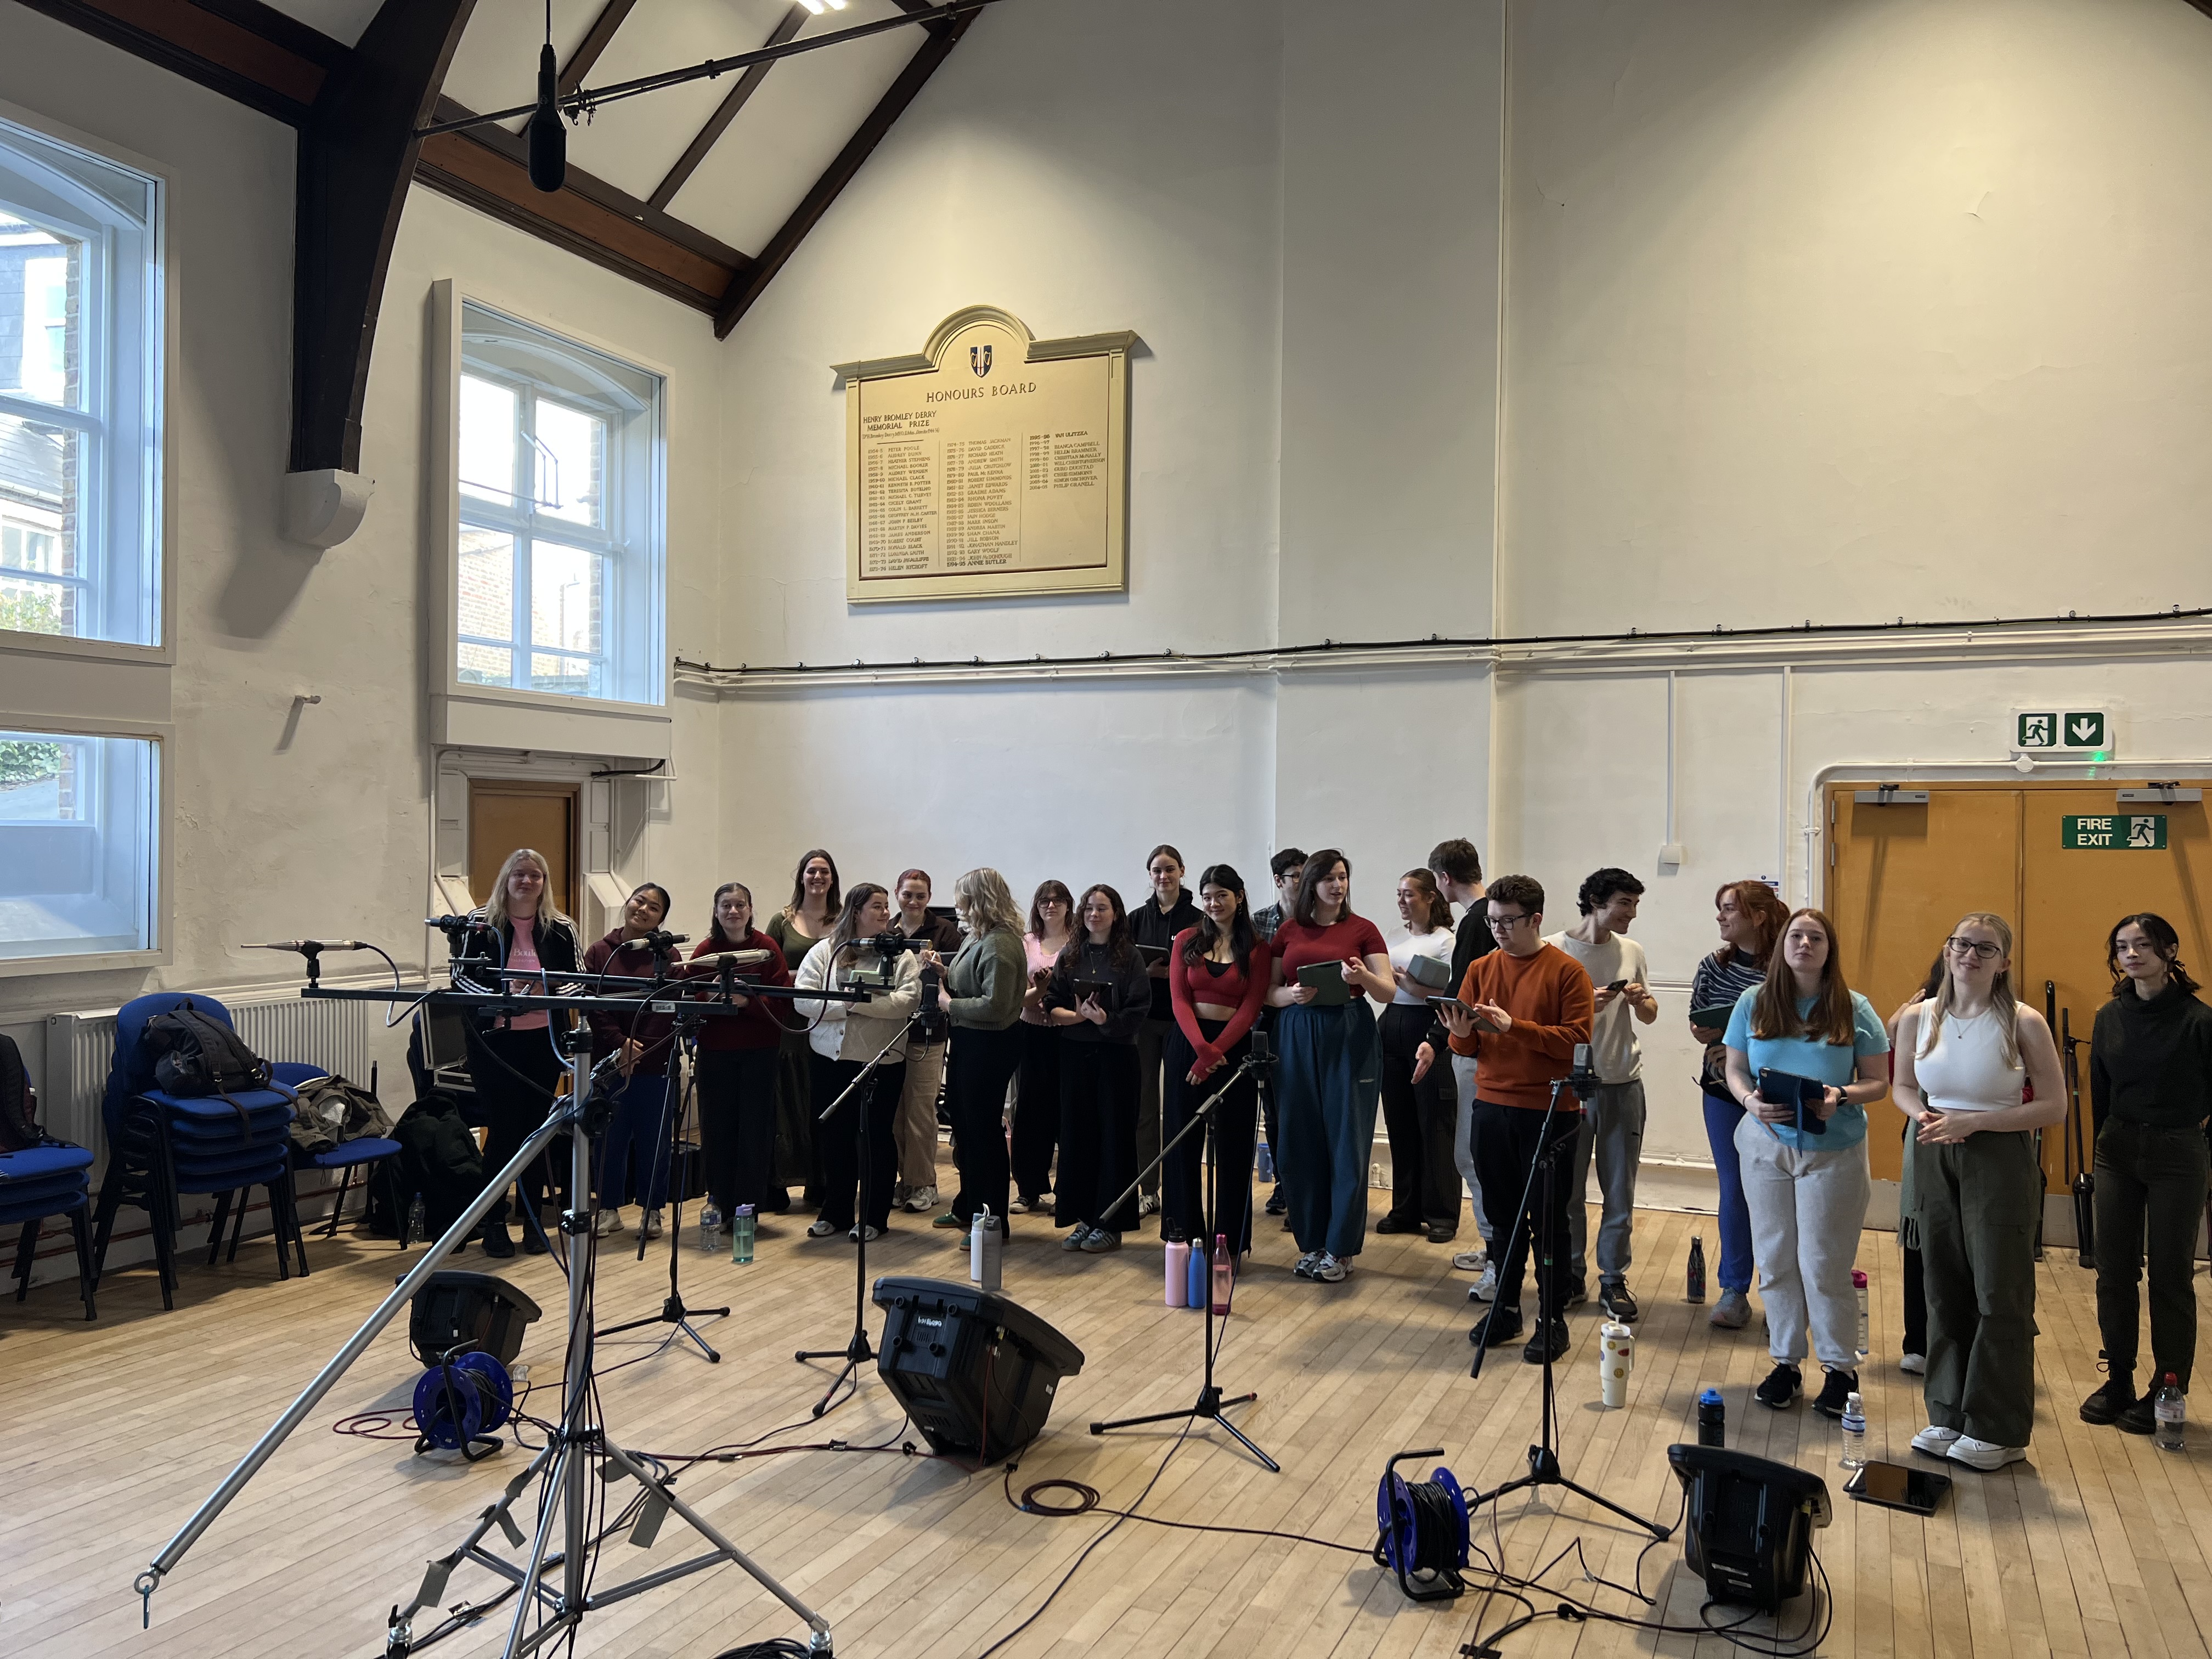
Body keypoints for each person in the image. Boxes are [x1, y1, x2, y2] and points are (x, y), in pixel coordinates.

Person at [1891, 913, 2063, 1469]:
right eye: (1962, 945)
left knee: (1999, 1291)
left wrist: (1976, 1123)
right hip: (1933, 1150)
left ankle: (1999, 1427)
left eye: (1985, 949)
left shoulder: (2023, 1021)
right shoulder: (1919, 1017)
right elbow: (1901, 1085)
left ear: (2004, 962)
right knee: (1943, 1287)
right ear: (1947, 951)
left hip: (1997, 1156)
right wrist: (1924, 1116)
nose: (1970, 956)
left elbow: (2054, 1107)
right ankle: (1948, 1413)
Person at [1723, 907, 1892, 1420]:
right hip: (1765, 1145)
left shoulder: (1853, 1007)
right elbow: (1733, 1067)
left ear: (1828, 949)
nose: (1804, 944)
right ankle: (1786, 1363)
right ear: (1782, 947)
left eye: (1815, 937)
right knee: (1774, 1258)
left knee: (1823, 1263)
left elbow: (1878, 1083)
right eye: (1796, 936)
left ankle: (1840, 1369)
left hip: (1832, 1151)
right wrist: (1750, 1101)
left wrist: (1840, 1095)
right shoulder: (1754, 1002)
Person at [1451, 875, 1593, 1363]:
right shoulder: (1480, 968)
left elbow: (1576, 1038)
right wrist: (1460, 1032)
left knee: (1549, 1218)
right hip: (1492, 1105)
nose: (1497, 930)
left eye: (1507, 922)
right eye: (1492, 921)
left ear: (1535, 919)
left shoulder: (1568, 972)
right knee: (1503, 1215)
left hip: (1550, 1110)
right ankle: (1507, 1308)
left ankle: (1551, 1318)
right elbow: (1468, 1048)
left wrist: (1517, 1027)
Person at [2082, 913, 2212, 1433]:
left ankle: (2168, 1382)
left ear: (2170, 950)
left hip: (2179, 1152)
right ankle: (2118, 1377)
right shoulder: (2109, 1016)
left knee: (2170, 1273)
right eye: (2122, 947)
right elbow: (2100, 1091)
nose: (2132, 954)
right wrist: (2100, 1150)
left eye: (2142, 945)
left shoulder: (2200, 1021)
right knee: (2114, 1269)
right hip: (2117, 1149)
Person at [1267, 849, 1393, 1284]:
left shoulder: (1363, 930)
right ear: (1311, 886)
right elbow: (1269, 992)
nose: (1338, 886)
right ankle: (1313, 1243)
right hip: (1297, 1033)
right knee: (1299, 1142)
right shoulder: (1288, 931)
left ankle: (1340, 1248)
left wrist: (1362, 978)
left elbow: (1388, 992)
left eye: (1343, 878)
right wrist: (1291, 996)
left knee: (1347, 1141)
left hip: (1348, 1033)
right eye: (1329, 879)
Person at [456, 848, 585, 1259]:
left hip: (542, 1044)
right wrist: (503, 998)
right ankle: (493, 1224)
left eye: (536, 876)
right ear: (505, 880)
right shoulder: (479, 923)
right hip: (495, 1046)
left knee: (536, 1135)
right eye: (519, 874)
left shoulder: (562, 928)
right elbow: (460, 978)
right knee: (503, 1133)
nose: (527, 882)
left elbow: (578, 981)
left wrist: (544, 996)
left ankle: (532, 1222)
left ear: (544, 883)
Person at [1546, 868, 1656, 1321]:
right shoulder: (1554, 950)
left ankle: (1612, 1278)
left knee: (1619, 1188)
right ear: (1595, 901)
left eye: (1635, 905)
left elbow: (1650, 1013)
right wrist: (1581, 1005)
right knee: (1567, 1191)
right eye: (1624, 903)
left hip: (1622, 1082)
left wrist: (1637, 1000)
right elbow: (1541, 1017)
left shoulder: (1631, 951)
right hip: (1570, 1084)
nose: (1631, 913)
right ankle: (1571, 1274)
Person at [1688, 879, 1790, 1330]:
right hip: (1723, 1092)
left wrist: (1741, 1049)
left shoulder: (1791, 965)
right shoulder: (1713, 965)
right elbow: (1700, 1022)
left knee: (1780, 1194)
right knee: (1735, 1190)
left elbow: (1800, 1028)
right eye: (1720, 908)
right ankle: (1734, 1289)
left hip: (1778, 1095)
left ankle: (1782, 1292)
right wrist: (1719, 1043)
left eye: (1729, 909)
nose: (1720, 917)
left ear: (1758, 916)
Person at [793, 885, 922, 1242]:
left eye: (885, 907)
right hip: (831, 1060)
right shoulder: (826, 951)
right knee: (835, 1139)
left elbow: (905, 1002)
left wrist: (855, 1004)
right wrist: (846, 1007)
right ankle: (835, 1211)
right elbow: (805, 1000)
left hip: (882, 1061)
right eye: (877, 907)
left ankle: (873, 1217)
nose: (885, 913)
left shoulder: (901, 956)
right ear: (855, 912)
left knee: (875, 1140)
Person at [1164, 865, 1272, 1255]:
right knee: (1182, 1140)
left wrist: (1217, 1052)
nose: (1213, 903)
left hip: (1234, 1051)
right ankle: (1184, 1233)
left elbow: (1251, 1006)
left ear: (1239, 896)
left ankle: (1229, 1240)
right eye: (1207, 896)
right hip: (1188, 1048)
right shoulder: (1187, 939)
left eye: (1221, 895)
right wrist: (1202, 1052)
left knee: (1235, 1144)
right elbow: (1179, 999)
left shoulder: (1257, 947)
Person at [1049, 884, 1154, 1253]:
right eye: (1089, 908)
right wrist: (1077, 1016)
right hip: (1075, 1056)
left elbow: (1139, 1010)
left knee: (1114, 1139)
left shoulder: (1130, 957)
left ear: (1116, 913)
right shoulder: (1071, 954)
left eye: (1102, 908)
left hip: (1116, 1057)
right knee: (1078, 1138)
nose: (1094, 914)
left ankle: (1110, 1223)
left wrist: (1106, 1019)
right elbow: (1052, 1002)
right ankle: (1083, 1219)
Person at [929, 867, 1028, 1237]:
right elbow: (967, 982)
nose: (958, 906)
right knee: (966, 1130)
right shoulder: (979, 937)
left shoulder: (1001, 943)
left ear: (979, 900)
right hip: (970, 1042)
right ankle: (969, 1206)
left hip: (990, 1045)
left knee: (983, 1133)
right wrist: (944, 972)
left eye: (963, 899)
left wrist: (947, 1004)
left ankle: (991, 1221)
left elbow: (995, 1007)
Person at [689, 882, 792, 1234]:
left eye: (740, 905)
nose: (733, 911)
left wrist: (749, 1003)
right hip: (715, 1055)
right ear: (716, 912)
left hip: (758, 1054)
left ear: (750, 910)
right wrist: (712, 998)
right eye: (726, 906)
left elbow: (784, 1003)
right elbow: (687, 1002)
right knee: (717, 1129)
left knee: (755, 1131)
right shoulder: (705, 951)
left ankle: (747, 1209)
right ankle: (719, 1200)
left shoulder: (766, 949)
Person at [582, 882, 681, 1240]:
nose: (643, 909)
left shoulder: (668, 957)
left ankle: (652, 1211)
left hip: (654, 1065)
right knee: (609, 1137)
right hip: (609, 1064)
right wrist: (620, 1045)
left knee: (655, 1141)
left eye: (653, 908)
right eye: (640, 901)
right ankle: (607, 1209)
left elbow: (667, 1011)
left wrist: (639, 1050)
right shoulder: (599, 952)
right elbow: (593, 1004)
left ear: (661, 919)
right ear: (628, 903)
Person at [1416, 838, 1496, 1276]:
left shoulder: (1477, 921)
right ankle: (1495, 1247)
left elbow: (1461, 989)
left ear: (1444, 879)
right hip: (1481, 1047)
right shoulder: (1489, 917)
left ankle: (1494, 1250)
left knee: (1470, 1155)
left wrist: (1435, 1037)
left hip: (1476, 1050)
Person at [1376, 870, 1460, 1243]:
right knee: (1400, 1122)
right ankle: (1405, 1209)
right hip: (1393, 1023)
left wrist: (1410, 983)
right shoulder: (1393, 937)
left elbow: (1451, 987)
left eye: (1409, 894)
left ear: (1430, 897)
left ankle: (1441, 1214)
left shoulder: (1446, 941)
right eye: (1399, 893)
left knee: (1434, 1123)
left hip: (1429, 1026)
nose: (1401, 900)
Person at [1886, 951, 1949, 1378]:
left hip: (1978, 1133)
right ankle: (1920, 1341)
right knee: (1920, 1238)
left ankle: (1957, 1343)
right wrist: (1901, 1021)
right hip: (1925, 1130)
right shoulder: (1923, 1008)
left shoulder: (2007, 1017)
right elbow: (1897, 1070)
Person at [1130, 845, 1203, 1217]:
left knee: (1179, 1105)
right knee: (1144, 1106)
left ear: (1182, 872)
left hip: (1182, 1024)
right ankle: (1148, 1188)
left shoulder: (1199, 920)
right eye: (1157, 870)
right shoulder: (1135, 919)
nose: (1164, 876)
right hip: (1143, 1022)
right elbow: (1123, 970)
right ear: (1150, 875)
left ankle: (1179, 1186)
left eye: (1170, 869)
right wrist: (1148, 973)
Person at [765, 849, 839, 1208]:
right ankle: (780, 1181)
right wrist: (800, 979)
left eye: (824, 872)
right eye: (812, 871)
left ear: (832, 878)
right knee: (787, 1101)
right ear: (802, 877)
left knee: (821, 1100)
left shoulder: (843, 921)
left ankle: (821, 1182)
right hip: (788, 1022)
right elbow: (767, 969)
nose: (818, 878)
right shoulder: (781, 920)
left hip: (829, 1019)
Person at [889, 868, 962, 1214]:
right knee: (894, 1112)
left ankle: (923, 1184)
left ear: (929, 898)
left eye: (920, 896)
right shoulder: (886, 931)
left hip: (928, 1033)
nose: (913, 902)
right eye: (907, 895)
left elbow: (957, 980)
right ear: (897, 894)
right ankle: (902, 1182)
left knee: (920, 1111)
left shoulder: (946, 933)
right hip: (888, 1031)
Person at [1250, 847, 1306, 1218]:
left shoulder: (1315, 921)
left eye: (1307, 876)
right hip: (1266, 1021)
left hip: (1303, 1022)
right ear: (1278, 881)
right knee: (1274, 1109)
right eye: (1296, 877)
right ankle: (1284, 1184)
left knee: (1301, 1105)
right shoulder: (1257, 923)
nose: (1302, 884)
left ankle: (1303, 1184)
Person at [1015, 880, 1076, 1215]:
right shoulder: (1027, 942)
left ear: (1069, 905)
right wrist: (1037, 990)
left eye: (1057, 900)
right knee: (1030, 1110)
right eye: (1044, 901)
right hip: (1032, 1032)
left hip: (1067, 1034)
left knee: (1067, 1111)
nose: (1050, 906)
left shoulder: (1079, 941)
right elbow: (1018, 988)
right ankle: (1029, 1189)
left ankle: (1067, 1190)